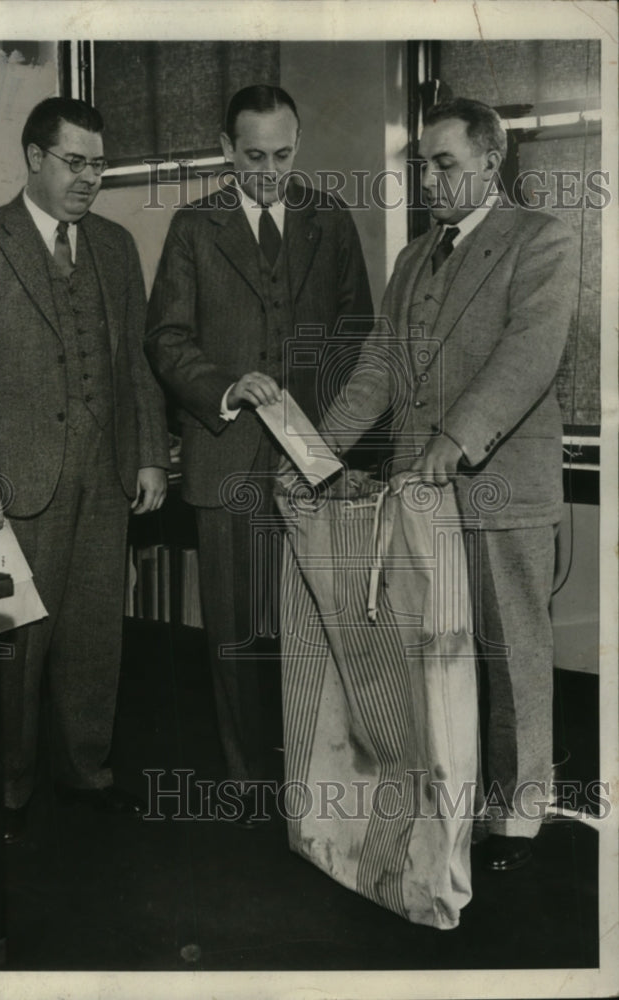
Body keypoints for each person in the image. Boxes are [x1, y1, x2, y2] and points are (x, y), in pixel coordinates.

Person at [320, 97, 578, 871]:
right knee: (431, 657)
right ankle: (446, 813)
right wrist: (318, 448)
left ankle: (521, 820)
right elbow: (378, 366)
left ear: (490, 160)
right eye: (423, 165)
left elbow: (528, 355)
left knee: (511, 655)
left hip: (501, 487)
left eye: (445, 163)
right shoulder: (412, 259)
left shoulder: (543, 239)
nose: (430, 179)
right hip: (419, 494)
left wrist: (455, 439)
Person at [0, 97, 170, 842]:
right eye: (76, 162)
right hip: (14, 491)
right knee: (16, 651)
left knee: (96, 639)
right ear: (34, 157)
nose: (90, 178)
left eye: (99, 163)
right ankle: (6, 793)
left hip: (103, 483)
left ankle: (86, 773)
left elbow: (134, 361)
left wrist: (149, 454)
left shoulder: (116, 247)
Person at [145, 84, 372, 819]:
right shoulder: (193, 227)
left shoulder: (329, 220)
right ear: (224, 150)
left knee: (317, 620)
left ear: (297, 146)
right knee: (237, 630)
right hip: (226, 456)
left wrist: (336, 438)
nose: (268, 171)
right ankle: (247, 780)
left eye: (282, 155)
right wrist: (222, 386)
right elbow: (167, 339)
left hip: (314, 461)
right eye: (252, 157)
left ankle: (315, 768)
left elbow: (355, 337)